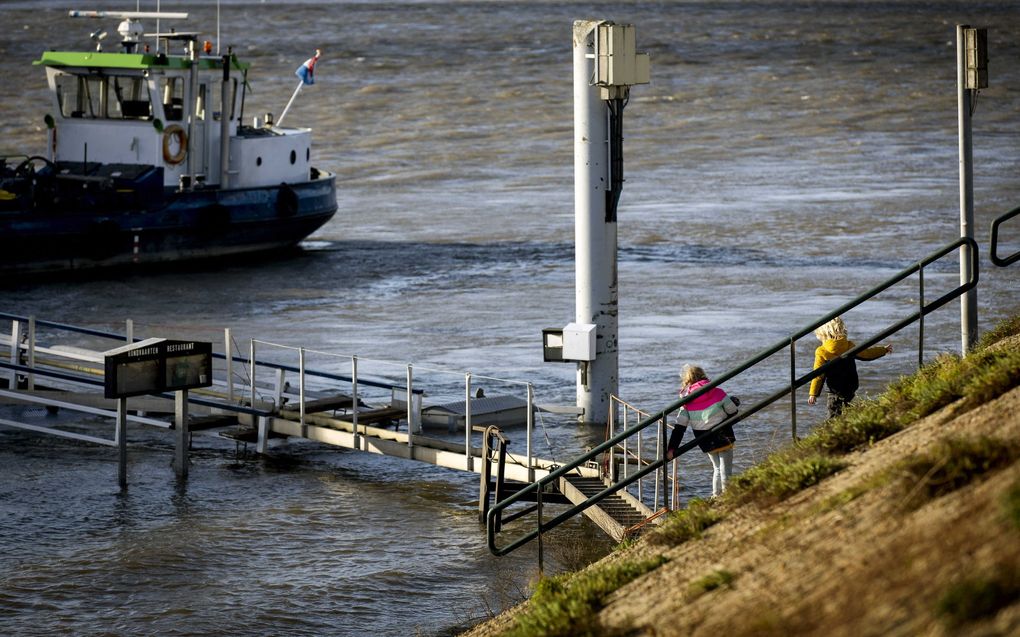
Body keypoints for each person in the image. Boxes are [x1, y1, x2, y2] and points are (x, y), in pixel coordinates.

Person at [665, 364, 739, 497]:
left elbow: (679, 428)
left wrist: (671, 449)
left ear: (687, 381)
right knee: (725, 469)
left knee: (717, 468)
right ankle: (727, 496)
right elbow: (732, 411)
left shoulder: (686, 402)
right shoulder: (717, 392)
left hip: (704, 439)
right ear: (703, 376)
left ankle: (716, 496)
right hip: (724, 435)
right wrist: (733, 402)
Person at [807, 316, 893, 419]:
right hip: (850, 386)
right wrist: (882, 350)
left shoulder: (822, 351)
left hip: (835, 389)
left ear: (823, 335)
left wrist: (813, 393)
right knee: (846, 409)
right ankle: (848, 425)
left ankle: (834, 432)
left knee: (833, 415)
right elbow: (867, 354)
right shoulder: (849, 346)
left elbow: (818, 375)